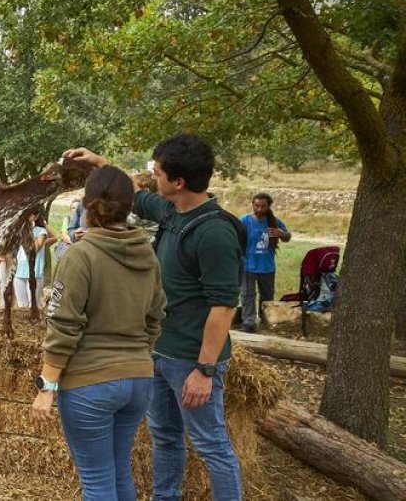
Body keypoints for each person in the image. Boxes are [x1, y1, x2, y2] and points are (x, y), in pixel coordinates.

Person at [64, 135, 243, 501]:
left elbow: (224, 307)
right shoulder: (171, 210)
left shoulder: (215, 232)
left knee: (211, 444)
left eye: (157, 172)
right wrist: (99, 164)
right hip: (159, 352)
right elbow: (130, 193)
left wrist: (205, 370)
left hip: (192, 360)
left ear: (178, 181)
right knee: (165, 436)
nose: (151, 178)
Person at [31, 165, 166, 501]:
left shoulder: (80, 256)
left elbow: (63, 325)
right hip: (138, 379)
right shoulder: (147, 254)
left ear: (87, 204)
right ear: (130, 205)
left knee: (96, 482)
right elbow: (156, 316)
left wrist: (46, 386)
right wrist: (136, 355)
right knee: (119, 471)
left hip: (90, 383)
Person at [240, 193, 291, 332]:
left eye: (263, 206)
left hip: (267, 266)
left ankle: (265, 321)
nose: (259, 209)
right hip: (248, 266)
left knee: (267, 297)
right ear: (252, 205)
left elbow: (288, 236)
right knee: (247, 295)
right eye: (257, 205)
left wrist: (280, 234)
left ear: (268, 207)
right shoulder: (245, 221)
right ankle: (248, 323)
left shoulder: (274, 221)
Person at [14, 209, 56, 309]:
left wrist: (29, 231)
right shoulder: (18, 230)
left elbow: (35, 248)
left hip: (35, 274)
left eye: (30, 214)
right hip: (18, 273)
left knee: (34, 306)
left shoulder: (41, 232)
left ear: (36, 217)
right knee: (22, 307)